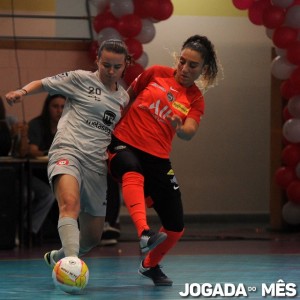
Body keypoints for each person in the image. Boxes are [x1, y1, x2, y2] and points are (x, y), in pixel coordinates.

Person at [5, 39, 142, 272]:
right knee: (69, 204)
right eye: (105, 64)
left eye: (116, 67)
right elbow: (43, 83)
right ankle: (71, 268)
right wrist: (22, 91)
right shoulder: (80, 79)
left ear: (125, 65)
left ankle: (59, 256)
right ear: (97, 60)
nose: (110, 71)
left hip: (96, 164)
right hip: (68, 150)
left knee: (91, 237)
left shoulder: (123, 99)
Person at [108, 35, 219, 286]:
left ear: (204, 69)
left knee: (176, 226)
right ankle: (144, 232)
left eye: (193, 65)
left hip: (157, 159)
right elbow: (124, 99)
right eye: (182, 61)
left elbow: (190, 131)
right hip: (124, 143)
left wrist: (180, 128)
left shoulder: (196, 99)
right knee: (131, 169)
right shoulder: (155, 73)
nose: (185, 69)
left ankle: (150, 265)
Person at [26, 94, 66, 240]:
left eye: (63, 107)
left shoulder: (69, 126)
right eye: (55, 106)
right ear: (47, 108)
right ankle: (30, 232)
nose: (59, 110)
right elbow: (32, 150)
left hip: (58, 173)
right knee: (48, 194)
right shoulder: (36, 124)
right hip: (34, 174)